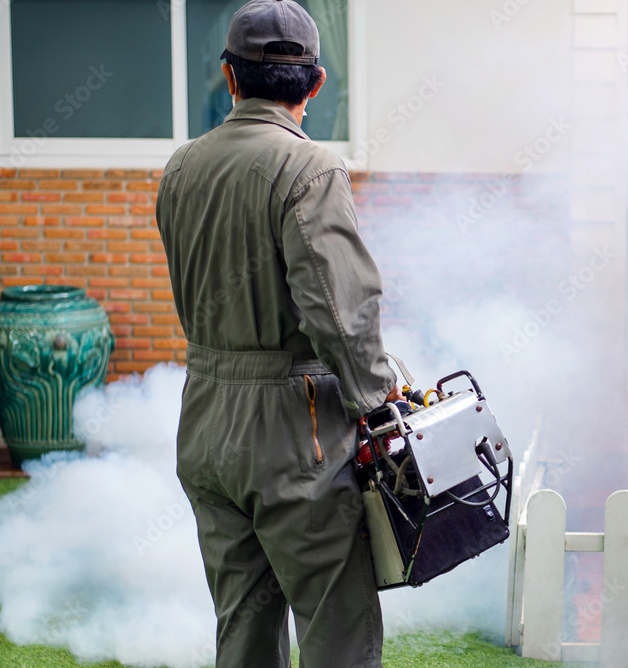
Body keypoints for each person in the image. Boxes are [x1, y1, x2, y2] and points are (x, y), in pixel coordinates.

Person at [155, 1, 401, 665]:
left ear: (229, 78)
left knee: (243, 627)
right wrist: (381, 400)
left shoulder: (181, 168)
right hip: (295, 431)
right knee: (336, 631)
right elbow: (339, 311)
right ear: (317, 83)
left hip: (205, 418)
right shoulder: (309, 169)